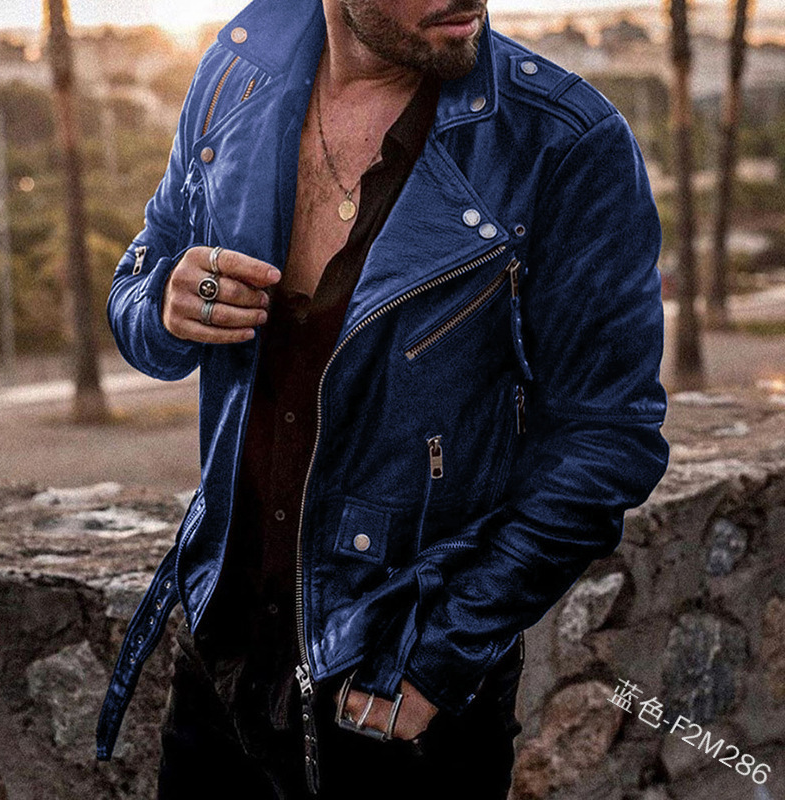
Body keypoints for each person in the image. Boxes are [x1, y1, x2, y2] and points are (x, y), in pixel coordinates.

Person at [96, 0, 669, 797]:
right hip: (218, 661)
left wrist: (440, 656)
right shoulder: (235, 74)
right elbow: (145, 268)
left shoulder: (560, 138)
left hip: (397, 688)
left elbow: (607, 437)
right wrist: (162, 301)